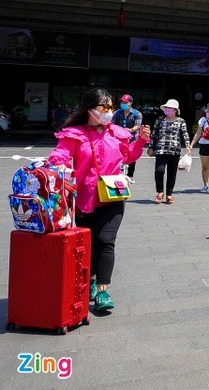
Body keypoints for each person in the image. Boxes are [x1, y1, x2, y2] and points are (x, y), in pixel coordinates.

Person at [48, 88, 151, 312]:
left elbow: (129, 156)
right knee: (87, 243)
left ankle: (103, 291)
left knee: (106, 240)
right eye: (103, 107)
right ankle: (92, 280)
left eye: (110, 107)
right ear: (89, 109)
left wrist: (141, 141)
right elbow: (60, 156)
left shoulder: (117, 132)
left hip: (113, 195)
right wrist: (55, 166)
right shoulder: (74, 134)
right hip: (84, 197)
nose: (108, 112)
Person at [149, 99, 190, 205]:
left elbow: (185, 134)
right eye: (166, 108)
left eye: (169, 108)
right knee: (159, 170)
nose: (167, 110)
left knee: (172, 173)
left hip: (174, 150)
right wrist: (151, 147)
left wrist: (188, 146)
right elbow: (154, 135)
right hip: (161, 148)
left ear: (175, 110)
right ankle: (160, 192)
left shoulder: (181, 121)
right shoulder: (160, 120)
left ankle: (169, 194)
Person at [111, 94, 142, 181]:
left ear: (130, 103)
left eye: (125, 102)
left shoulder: (137, 113)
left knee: (132, 156)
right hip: (119, 138)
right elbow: (112, 124)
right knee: (118, 155)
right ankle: (118, 172)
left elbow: (138, 125)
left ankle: (130, 174)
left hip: (132, 138)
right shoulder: (117, 113)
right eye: (122, 102)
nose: (123, 103)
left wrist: (131, 130)